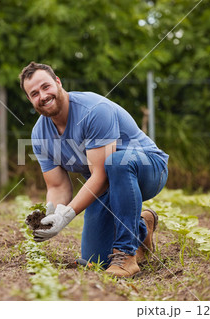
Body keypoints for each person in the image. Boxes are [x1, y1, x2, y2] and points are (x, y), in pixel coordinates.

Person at [19, 62, 169, 277]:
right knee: (94, 259)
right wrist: (50, 215)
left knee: (117, 162)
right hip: (106, 184)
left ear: (58, 82)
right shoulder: (39, 134)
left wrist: (68, 215)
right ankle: (141, 225)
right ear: (29, 99)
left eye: (46, 87)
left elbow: (101, 175)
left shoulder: (93, 110)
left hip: (148, 169)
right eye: (34, 93)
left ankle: (126, 255)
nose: (42, 96)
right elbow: (58, 185)